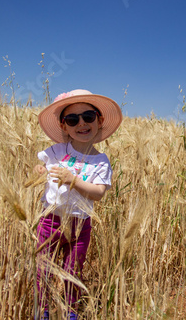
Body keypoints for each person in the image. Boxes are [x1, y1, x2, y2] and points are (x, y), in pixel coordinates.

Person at [34, 89, 122, 320]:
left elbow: (99, 193)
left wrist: (74, 180)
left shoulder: (101, 160)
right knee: (43, 268)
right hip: (50, 220)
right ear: (64, 127)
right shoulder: (57, 151)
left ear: (99, 120)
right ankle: (41, 310)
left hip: (79, 225)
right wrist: (39, 171)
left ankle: (70, 312)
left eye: (88, 117)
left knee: (73, 271)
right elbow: (40, 167)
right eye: (72, 119)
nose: (81, 123)